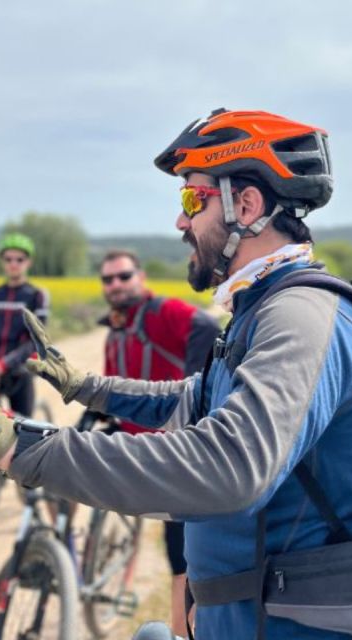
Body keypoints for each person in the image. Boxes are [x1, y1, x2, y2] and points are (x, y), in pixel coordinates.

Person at [0, 109, 352, 639]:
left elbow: (232, 467)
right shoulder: (261, 309)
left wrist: (16, 447)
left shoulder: (300, 316)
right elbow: (190, 397)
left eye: (191, 200)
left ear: (247, 205)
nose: (180, 223)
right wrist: (86, 388)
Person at [97, 248, 219, 635]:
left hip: (170, 451)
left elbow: (205, 328)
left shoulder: (160, 312)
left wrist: (193, 393)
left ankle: (180, 631)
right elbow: (113, 386)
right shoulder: (117, 329)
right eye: (108, 279)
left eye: (123, 276)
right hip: (132, 444)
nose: (115, 284)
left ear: (141, 276)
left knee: (180, 555)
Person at [0, 232, 49, 416]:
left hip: (19, 371)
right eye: (8, 259)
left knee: (25, 430)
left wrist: (2, 364)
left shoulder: (36, 295)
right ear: (2, 262)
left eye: (19, 259)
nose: (13, 263)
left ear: (28, 262)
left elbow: (36, 340)